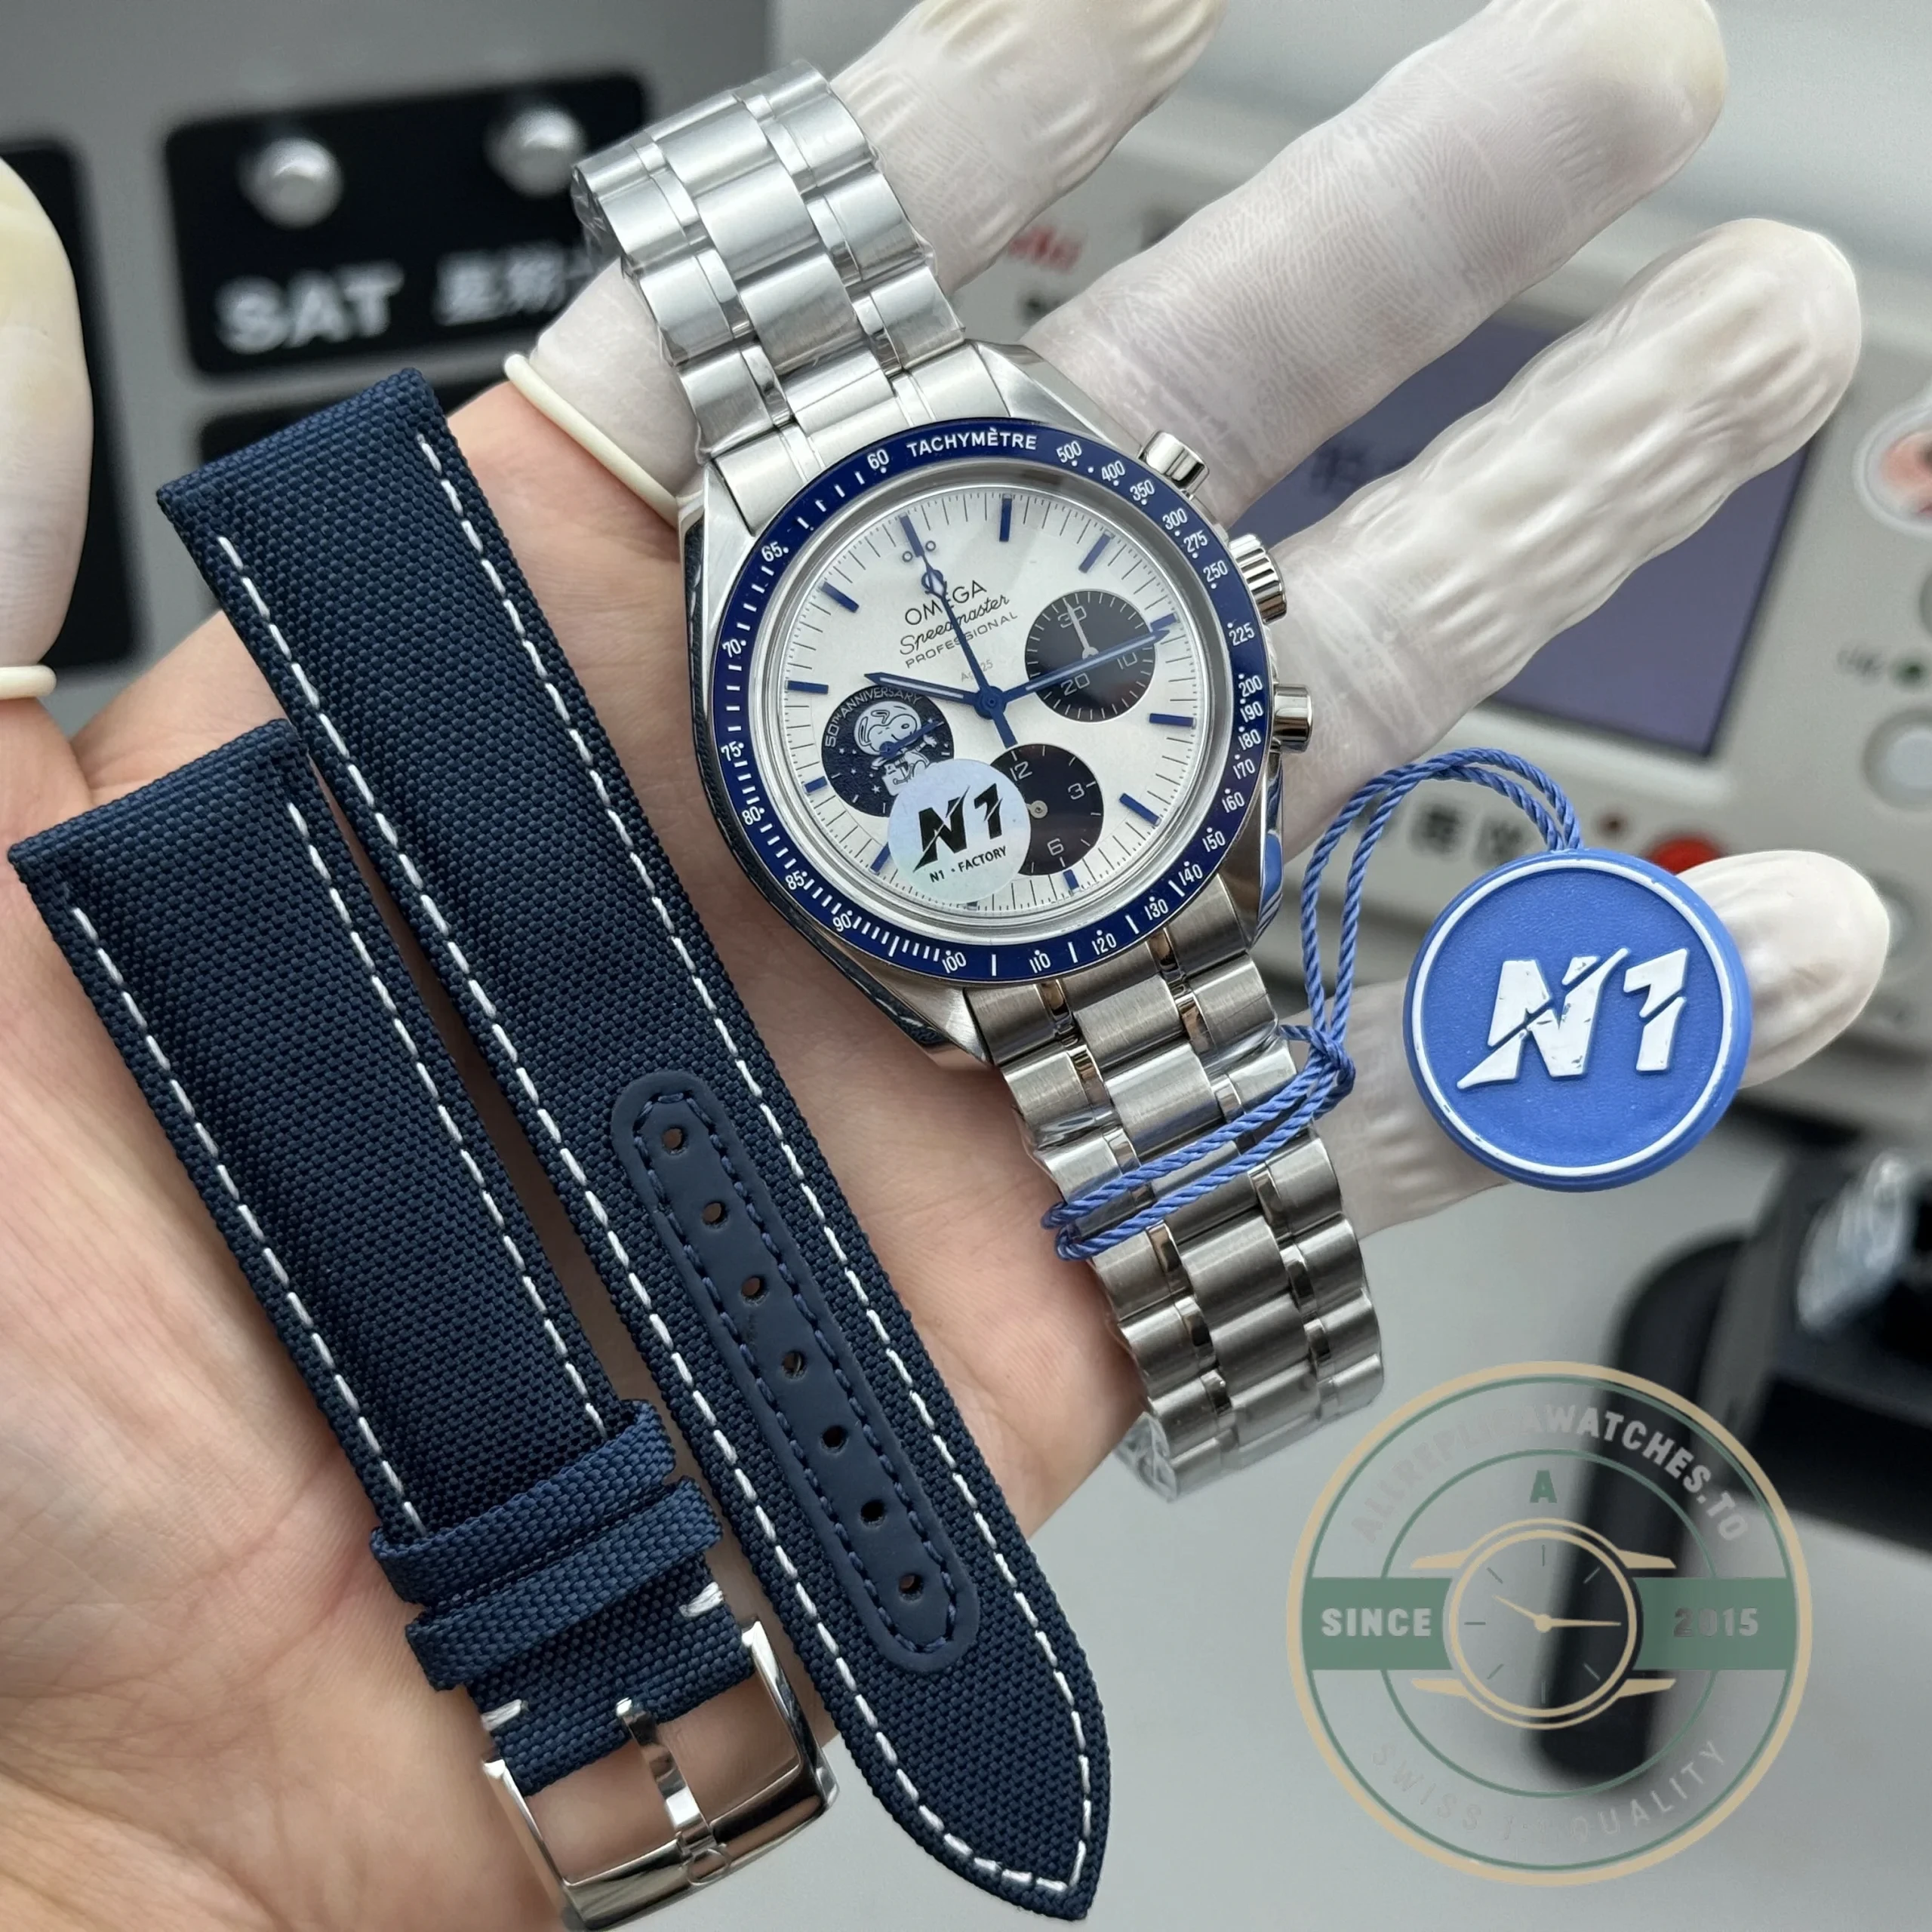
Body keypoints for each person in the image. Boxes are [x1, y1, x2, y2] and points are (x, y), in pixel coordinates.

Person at [0, 2, 1888, 1925]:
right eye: (913, 726)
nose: (976, 721)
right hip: (912, 928)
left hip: (1094, 880)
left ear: (1232, 631)